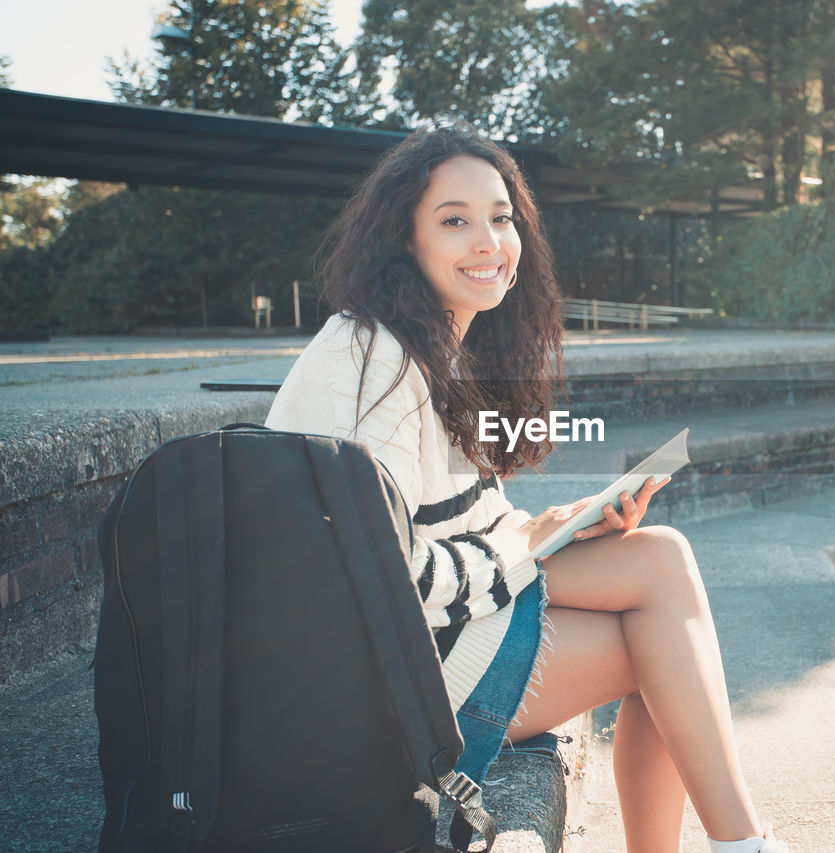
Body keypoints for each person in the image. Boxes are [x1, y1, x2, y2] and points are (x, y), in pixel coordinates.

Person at [264, 123, 788, 853]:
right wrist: (527, 548)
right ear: (403, 238)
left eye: (501, 217)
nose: (488, 239)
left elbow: (465, 521)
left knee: (657, 565)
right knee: (662, 633)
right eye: (455, 220)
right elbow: (378, 571)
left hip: (423, 648)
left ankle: (740, 843)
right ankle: (744, 844)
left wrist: (554, 525)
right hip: (375, 693)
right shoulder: (370, 354)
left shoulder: (431, 348)